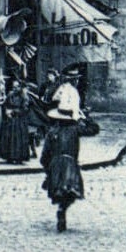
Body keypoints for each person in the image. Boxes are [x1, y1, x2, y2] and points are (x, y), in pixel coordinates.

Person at [41, 93, 85, 232]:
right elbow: (93, 129)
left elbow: (44, 155)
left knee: (59, 192)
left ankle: (61, 210)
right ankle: (62, 209)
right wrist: (83, 117)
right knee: (70, 191)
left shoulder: (52, 132)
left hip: (55, 165)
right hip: (70, 164)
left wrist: (47, 170)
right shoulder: (75, 130)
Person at [0, 77, 32, 163]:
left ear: (20, 87)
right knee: (8, 138)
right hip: (9, 119)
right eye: (13, 87)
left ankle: (19, 157)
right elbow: (5, 104)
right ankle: (9, 156)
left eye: (17, 87)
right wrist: (6, 111)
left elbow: (25, 109)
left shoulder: (24, 97)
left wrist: (13, 111)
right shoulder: (10, 94)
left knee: (18, 139)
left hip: (19, 120)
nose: (15, 88)